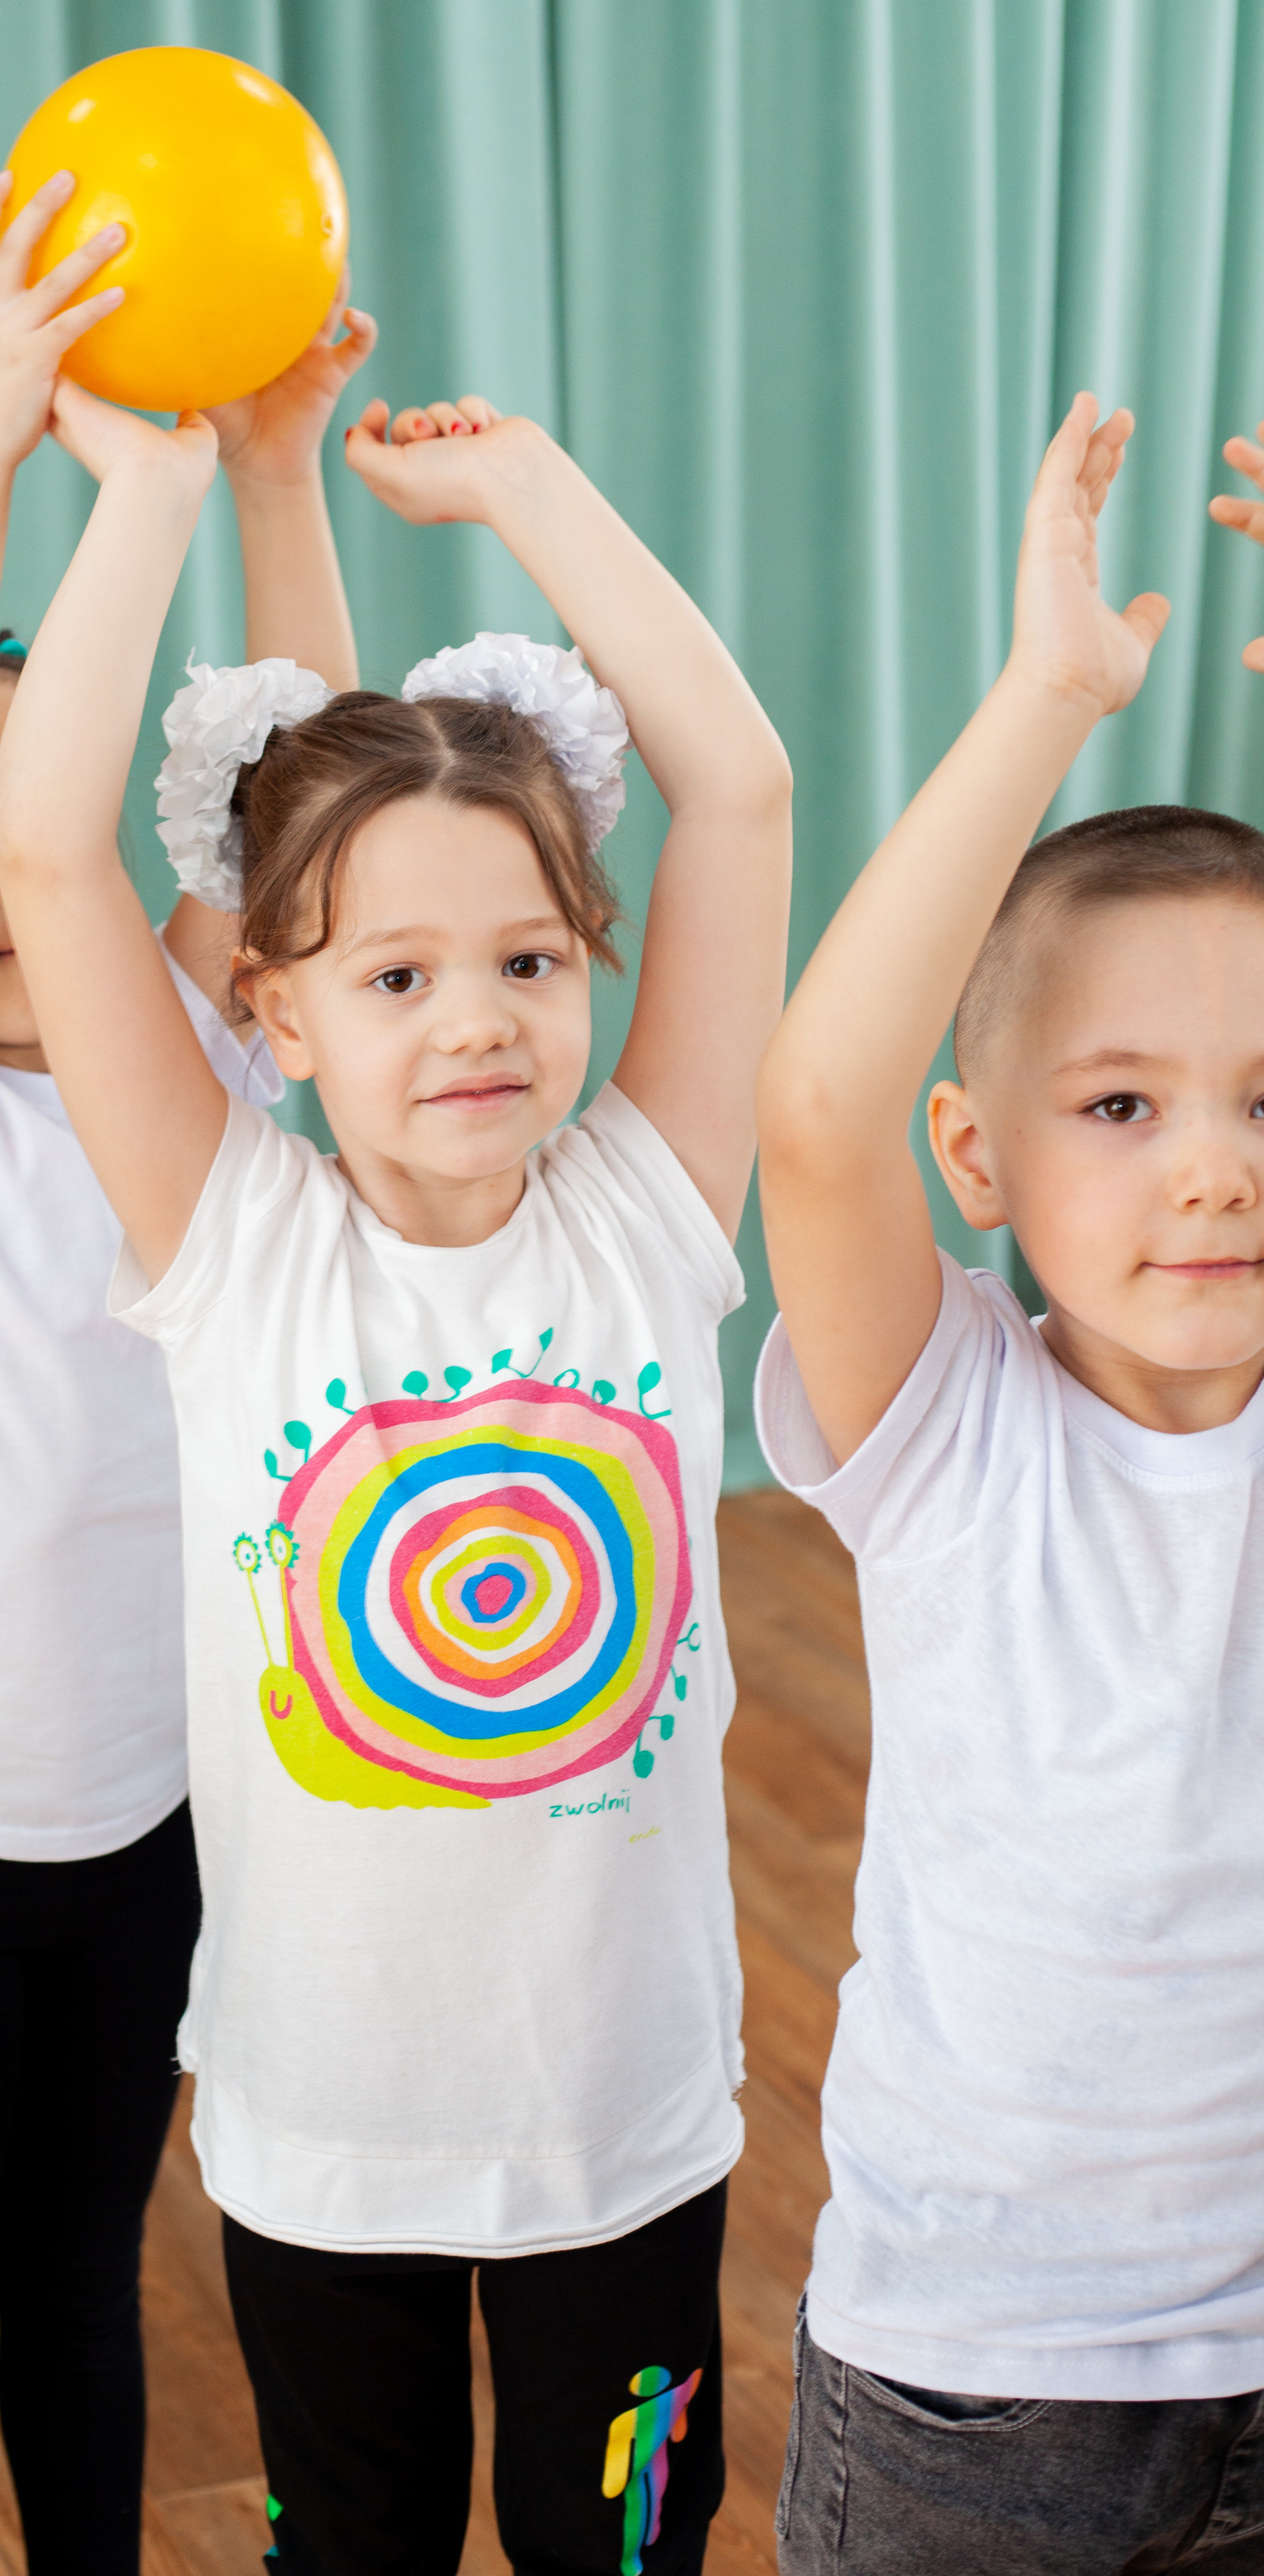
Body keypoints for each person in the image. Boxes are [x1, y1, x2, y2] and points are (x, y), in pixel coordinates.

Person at [0, 374, 792, 2576]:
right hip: (320, 2138)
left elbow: (739, 790)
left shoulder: (648, 1209)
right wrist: (151, 497)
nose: (476, 1022)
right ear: (272, 1009)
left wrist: (530, 487)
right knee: (350, 2543)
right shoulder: (229, 1243)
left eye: (530, 961)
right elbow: (49, 850)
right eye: (399, 972)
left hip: (626, 2131)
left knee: (614, 2543)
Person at [0, 162, 374, 2576]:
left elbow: (322, 792)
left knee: (89, 2303)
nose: (18, 863)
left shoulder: (183, 1077)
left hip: (153, 1839)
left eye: (59, 815)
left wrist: (285, 473)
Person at [753, 392, 1264, 2574]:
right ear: (982, 1162)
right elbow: (811, 1109)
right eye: (1123, 1106)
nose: (1217, 1166)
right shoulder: (950, 1420)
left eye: (1261, 1095)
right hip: (982, 2387)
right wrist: (1050, 695)